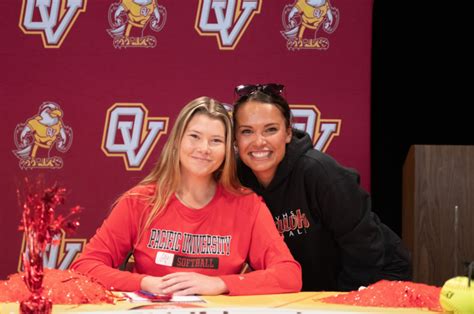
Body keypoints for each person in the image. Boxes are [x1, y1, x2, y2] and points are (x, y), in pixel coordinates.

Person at [71, 96, 302, 296]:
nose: (204, 148)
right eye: (194, 136)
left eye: (216, 141)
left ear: (226, 151)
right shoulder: (140, 201)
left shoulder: (247, 205)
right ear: (177, 141)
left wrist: (220, 284)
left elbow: (289, 275)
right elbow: (84, 266)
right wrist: (145, 283)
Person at [232, 84, 412, 292]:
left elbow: (365, 247)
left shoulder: (319, 172)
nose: (259, 142)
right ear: (235, 139)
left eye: (271, 129)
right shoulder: (235, 180)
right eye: (247, 131)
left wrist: (343, 303)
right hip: (313, 285)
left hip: (377, 272)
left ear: (288, 132)